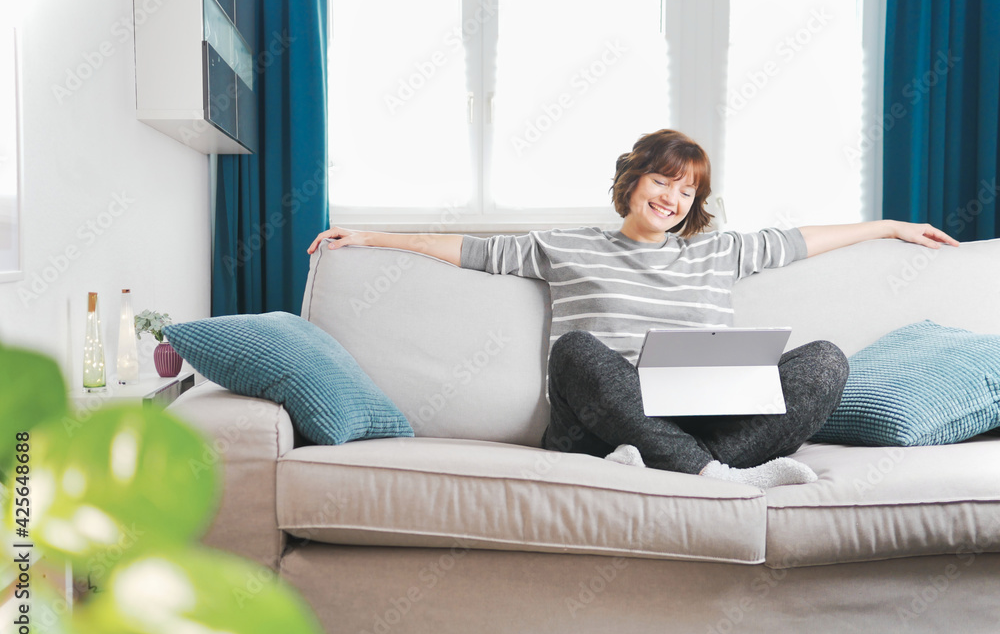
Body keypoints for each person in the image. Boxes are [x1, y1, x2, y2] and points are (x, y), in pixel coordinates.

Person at [307, 129, 959, 487]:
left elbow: (803, 240)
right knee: (574, 350)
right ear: (633, 180)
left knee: (824, 361)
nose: (672, 197)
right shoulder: (564, 246)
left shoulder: (719, 252)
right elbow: (474, 251)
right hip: (595, 425)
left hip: (702, 419)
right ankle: (719, 477)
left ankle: (692, 463)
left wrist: (889, 225)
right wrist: (369, 235)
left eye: (686, 190)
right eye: (661, 180)